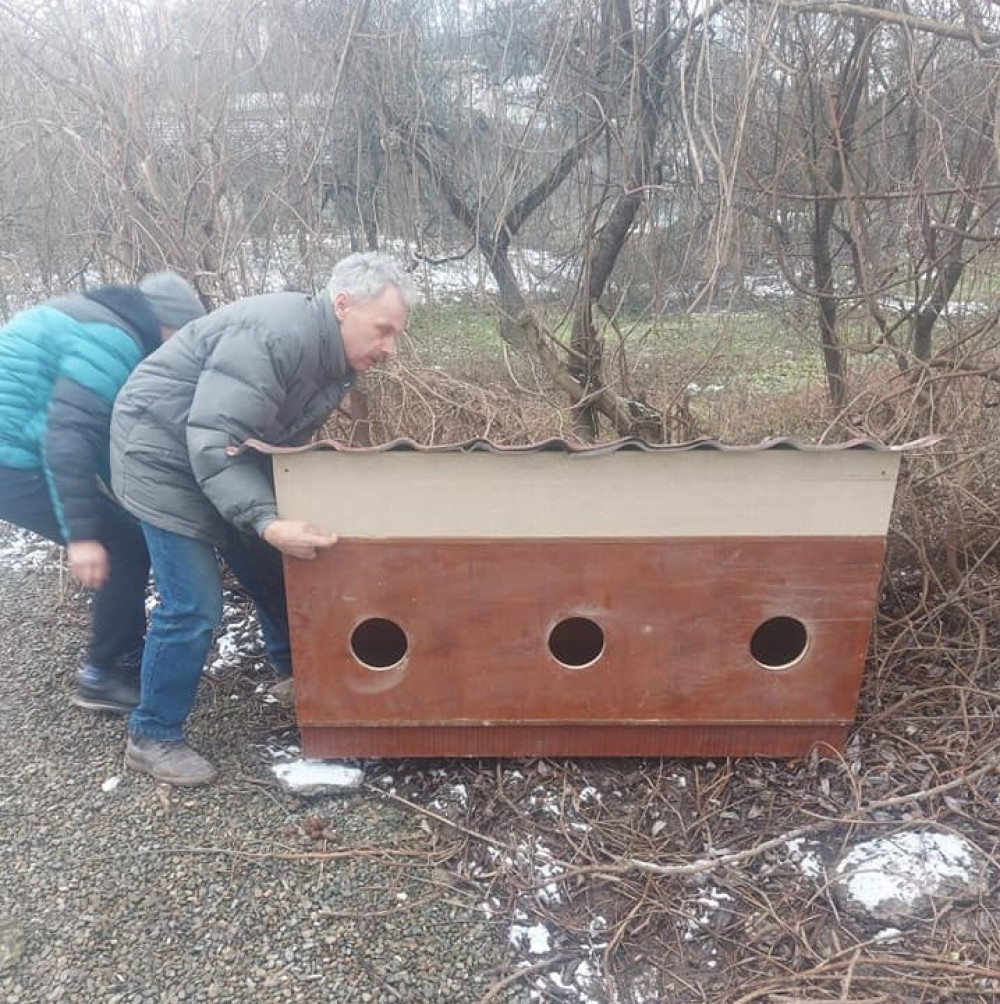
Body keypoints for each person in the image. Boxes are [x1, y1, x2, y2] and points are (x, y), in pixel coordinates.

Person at [110, 251, 416, 785]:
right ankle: (152, 734)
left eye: (396, 335)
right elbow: (213, 437)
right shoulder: (275, 336)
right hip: (160, 454)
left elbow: (269, 437)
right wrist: (267, 521)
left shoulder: (331, 355)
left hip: (220, 456)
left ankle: (294, 676)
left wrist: (274, 519)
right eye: (383, 330)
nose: (390, 348)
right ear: (343, 305)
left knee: (275, 568)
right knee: (192, 602)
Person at [0, 272, 207, 712]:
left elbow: (98, 440)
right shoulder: (112, 340)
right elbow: (69, 441)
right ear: (165, 324)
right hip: (10, 460)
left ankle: (119, 659)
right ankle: (104, 673)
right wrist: (82, 537)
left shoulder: (101, 322)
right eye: (181, 338)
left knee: (127, 537)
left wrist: (146, 505)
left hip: (16, 450)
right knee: (122, 546)